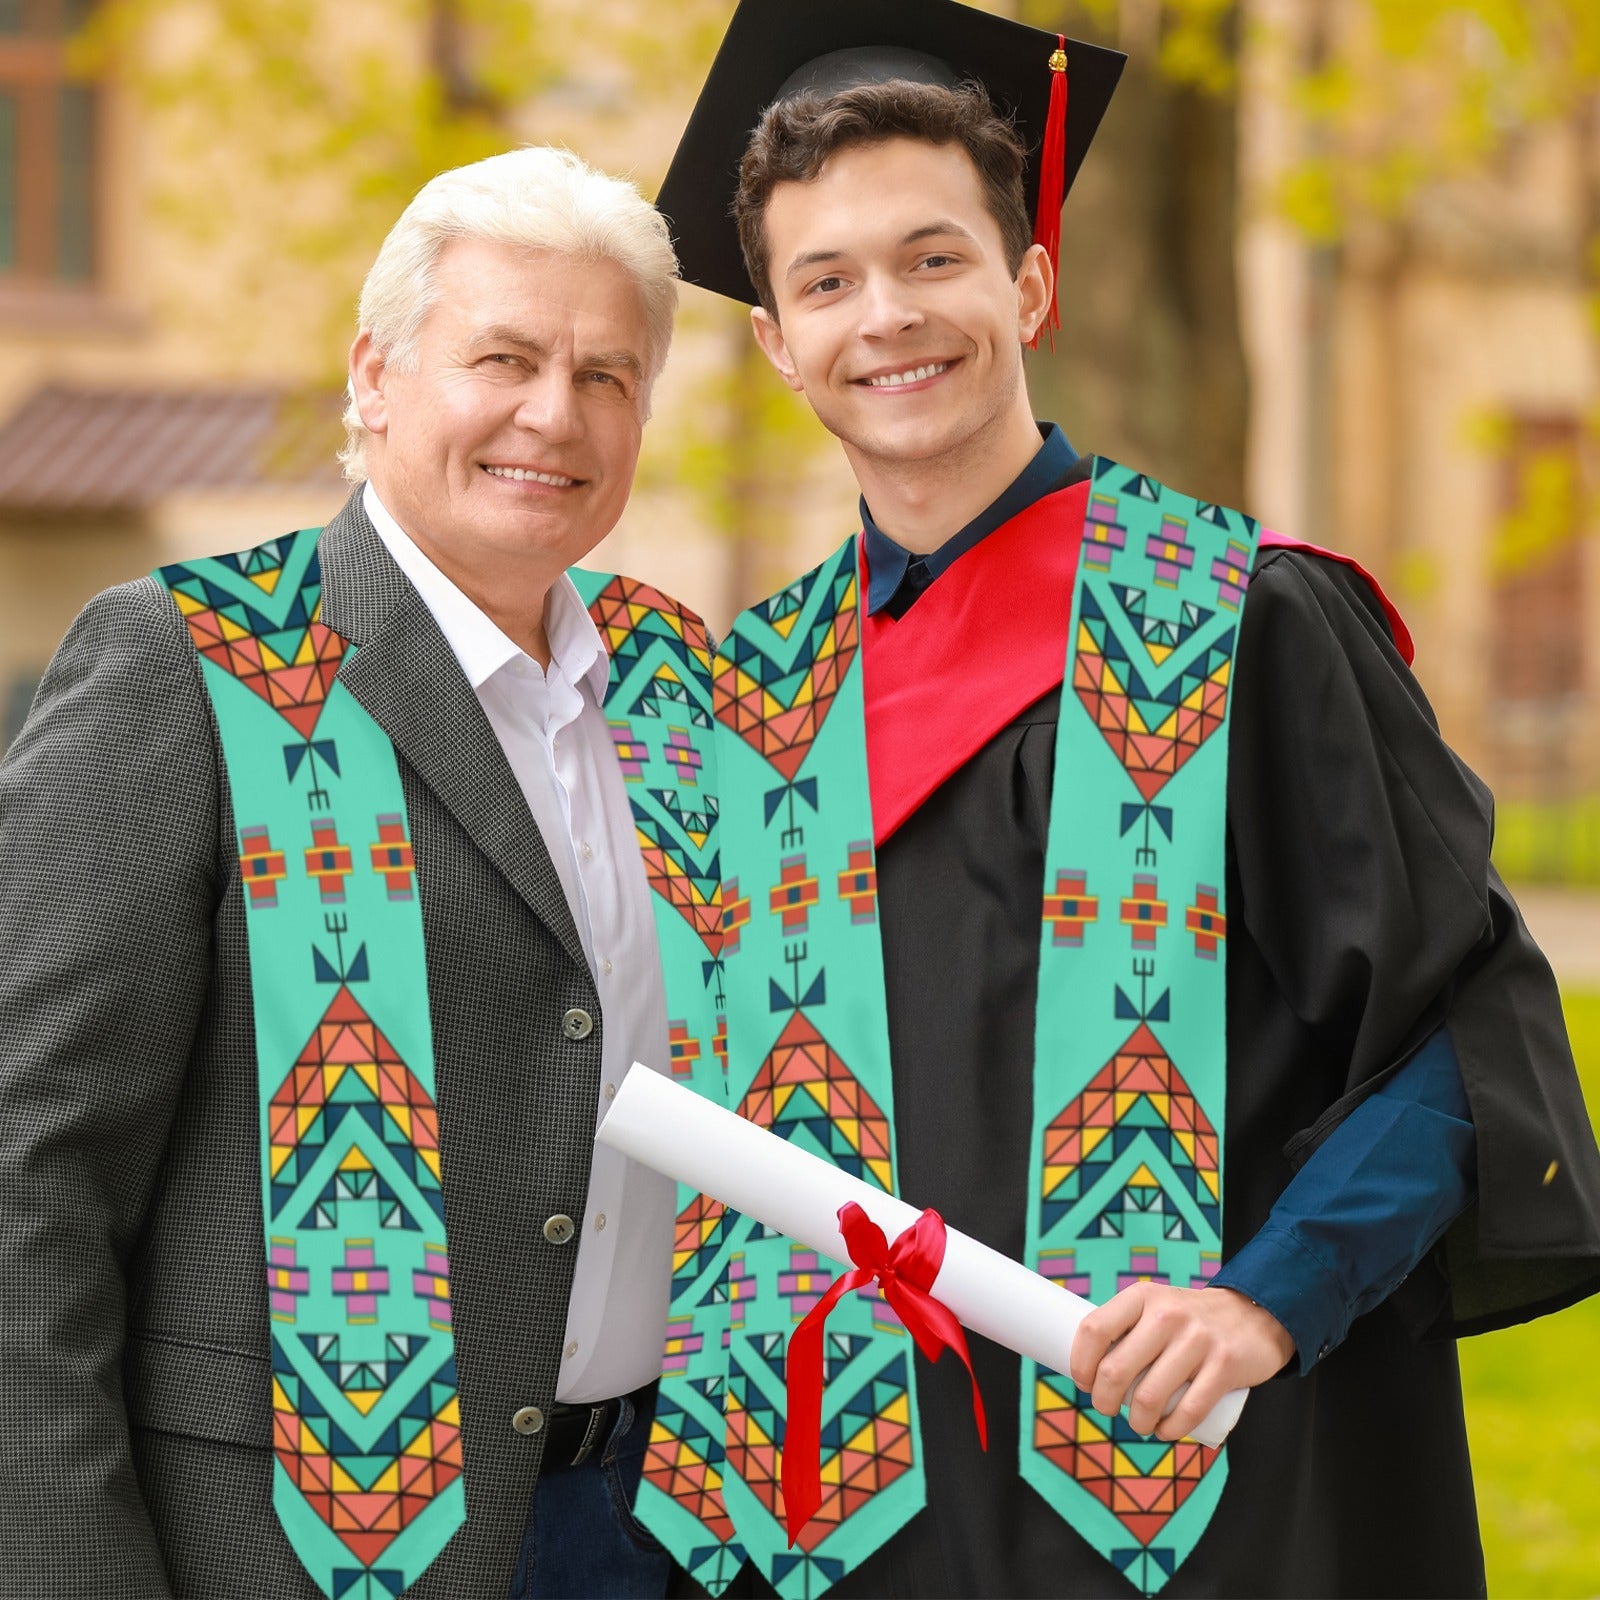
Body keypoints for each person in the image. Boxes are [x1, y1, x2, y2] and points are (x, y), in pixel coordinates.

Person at [627, 3, 1600, 1597]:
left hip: (1202, 1495)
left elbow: (1460, 1032)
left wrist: (1269, 1299)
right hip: (854, 1524)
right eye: (828, 281)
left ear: (1029, 285)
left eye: (934, 258)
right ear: (779, 344)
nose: (888, 315)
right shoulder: (756, 703)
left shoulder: (1240, 622)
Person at [0, 146, 725, 1600]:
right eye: (503, 358)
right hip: (294, 1546)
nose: (554, 413)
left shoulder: (681, 689)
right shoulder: (192, 664)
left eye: (606, 375)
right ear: (376, 376)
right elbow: (31, 1171)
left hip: (654, 1527)